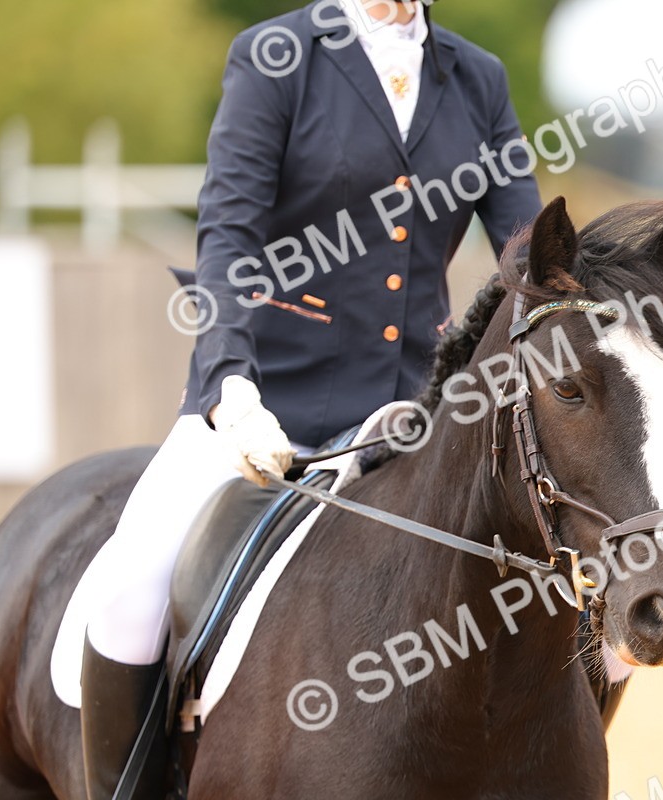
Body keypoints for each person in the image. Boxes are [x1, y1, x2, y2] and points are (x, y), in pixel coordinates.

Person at [69, 1, 542, 796]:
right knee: (132, 588)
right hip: (263, 406)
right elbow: (229, 234)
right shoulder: (278, 55)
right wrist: (231, 385)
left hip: (409, 419)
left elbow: (531, 258)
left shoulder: (476, 78)